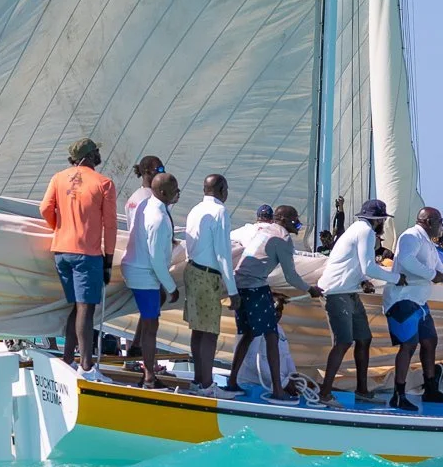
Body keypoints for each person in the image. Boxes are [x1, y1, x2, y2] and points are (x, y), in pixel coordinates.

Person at [225, 204, 322, 400]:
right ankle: (278, 390)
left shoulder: (263, 229)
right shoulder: (283, 237)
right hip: (254, 287)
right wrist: (310, 289)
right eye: (294, 220)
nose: (298, 224)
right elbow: (291, 276)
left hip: (239, 286)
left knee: (248, 334)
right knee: (271, 335)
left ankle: (232, 381)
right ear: (284, 221)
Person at [40, 137, 118, 379]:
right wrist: (108, 260)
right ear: (88, 157)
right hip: (87, 254)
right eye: (95, 153)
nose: (98, 157)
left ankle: (67, 358)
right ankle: (86, 367)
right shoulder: (104, 183)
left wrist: (58, 228)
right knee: (86, 308)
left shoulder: (57, 178)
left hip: (61, 251)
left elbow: (44, 209)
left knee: (77, 306)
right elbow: (111, 226)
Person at [311, 199, 401, 408]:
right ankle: (325, 393)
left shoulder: (359, 229)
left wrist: (362, 280)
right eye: (383, 219)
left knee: (364, 339)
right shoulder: (366, 232)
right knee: (343, 342)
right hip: (336, 293)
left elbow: (357, 265)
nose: (384, 223)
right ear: (378, 219)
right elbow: (369, 266)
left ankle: (362, 391)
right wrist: (397, 278)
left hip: (349, 292)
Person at [381, 206, 443, 411]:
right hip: (402, 299)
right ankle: (398, 395)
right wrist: (431, 275)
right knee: (408, 345)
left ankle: (430, 389)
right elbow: (406, 261)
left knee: (430, 341)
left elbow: (441, 270)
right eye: (440, 221)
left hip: (419, 302)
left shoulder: (428, 243)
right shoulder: (411, 236)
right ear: (428, 221)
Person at [121, 171, 181, 390]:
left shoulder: (148, 205)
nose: (178, 195)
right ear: (163, 192)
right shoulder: (158, 219)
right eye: (175, 191)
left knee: (152, 316)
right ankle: (148, 377)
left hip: (137, 268)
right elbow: (156, 261)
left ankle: (139, 352)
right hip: (143, 274)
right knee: (151, 327)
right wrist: (172, 287)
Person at [182, 174, 238, 396]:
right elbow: (223, 253)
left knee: (198, 330)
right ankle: (206, 385)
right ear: (222, 189)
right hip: (207, 276)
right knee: (210, 332)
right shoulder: (220, 211)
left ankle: (199, 381)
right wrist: (232, 290)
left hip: (192, 270)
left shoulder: (195, 209)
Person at [238, 297, 299, 394]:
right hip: (253, 387)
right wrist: (283, 382)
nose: (278, 314)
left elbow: (287, 356)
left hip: (278, 385)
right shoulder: (252, 328)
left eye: (280, 310)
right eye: (274, 310)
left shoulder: (279, 329)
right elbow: (251, 360)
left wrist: (294, 376)